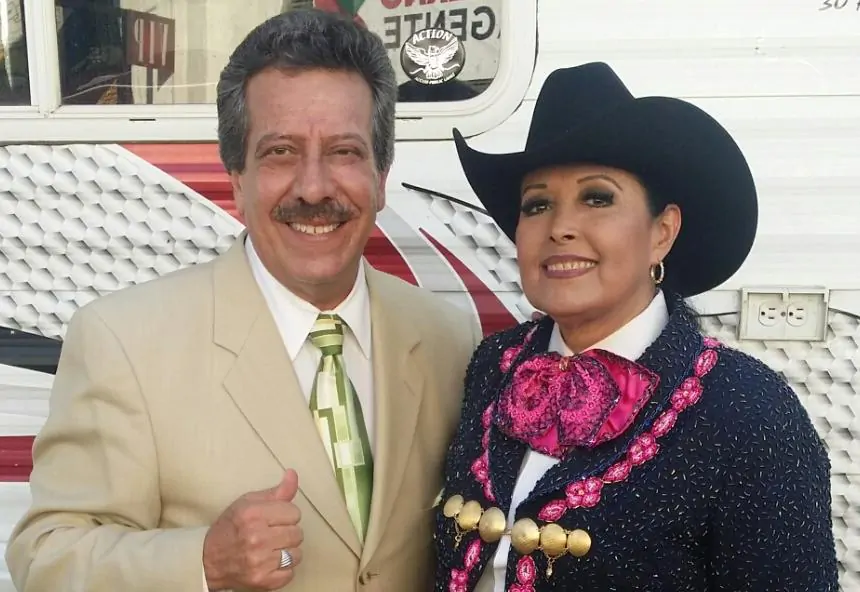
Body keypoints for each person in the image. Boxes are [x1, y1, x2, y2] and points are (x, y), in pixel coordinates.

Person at [5, 9, 481, 592]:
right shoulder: (123, 343)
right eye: (281, 152)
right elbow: (46, 558)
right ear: (236, 178)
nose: (313, 188)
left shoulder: (449, 339)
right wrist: (204, 562)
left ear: (381, 177)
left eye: (344, 152)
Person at [433, 62, 839, 591]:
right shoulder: (494, 365)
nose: (560, 227)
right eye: (538, 205)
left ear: (662, 232)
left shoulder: (750, 412)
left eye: (597, 198)